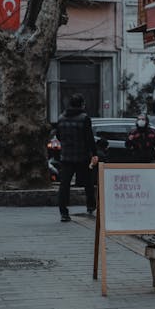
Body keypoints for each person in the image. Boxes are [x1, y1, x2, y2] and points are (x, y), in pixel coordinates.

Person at [55, 93, 98, 222]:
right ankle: (91, 206)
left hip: (66, 156)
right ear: (81, 104)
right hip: (82, 156)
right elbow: (89, 138)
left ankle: (64, 212)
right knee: (88, 183)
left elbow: (58, 135)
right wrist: (94, 153)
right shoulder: (84, 118)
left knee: (64, 185)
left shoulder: (61, 117)